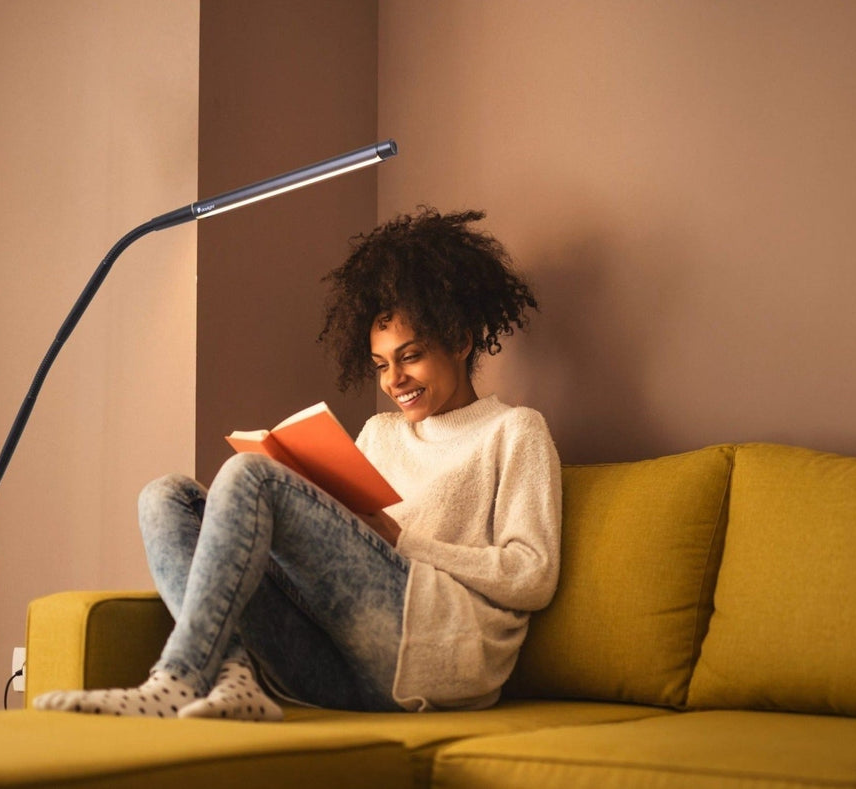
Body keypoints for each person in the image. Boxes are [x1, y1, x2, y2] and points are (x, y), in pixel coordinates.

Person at [34, 207, 562, 719]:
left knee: (250, 475)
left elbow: (532, 575)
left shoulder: (514, 431)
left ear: (461, 341)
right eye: (380, 365)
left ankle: (179, 676)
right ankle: (232, 678)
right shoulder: (379, 434)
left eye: (410, 356)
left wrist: (400, 538)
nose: (393, 380)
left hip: (442, 654)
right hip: (342, 664)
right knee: (165, 496)